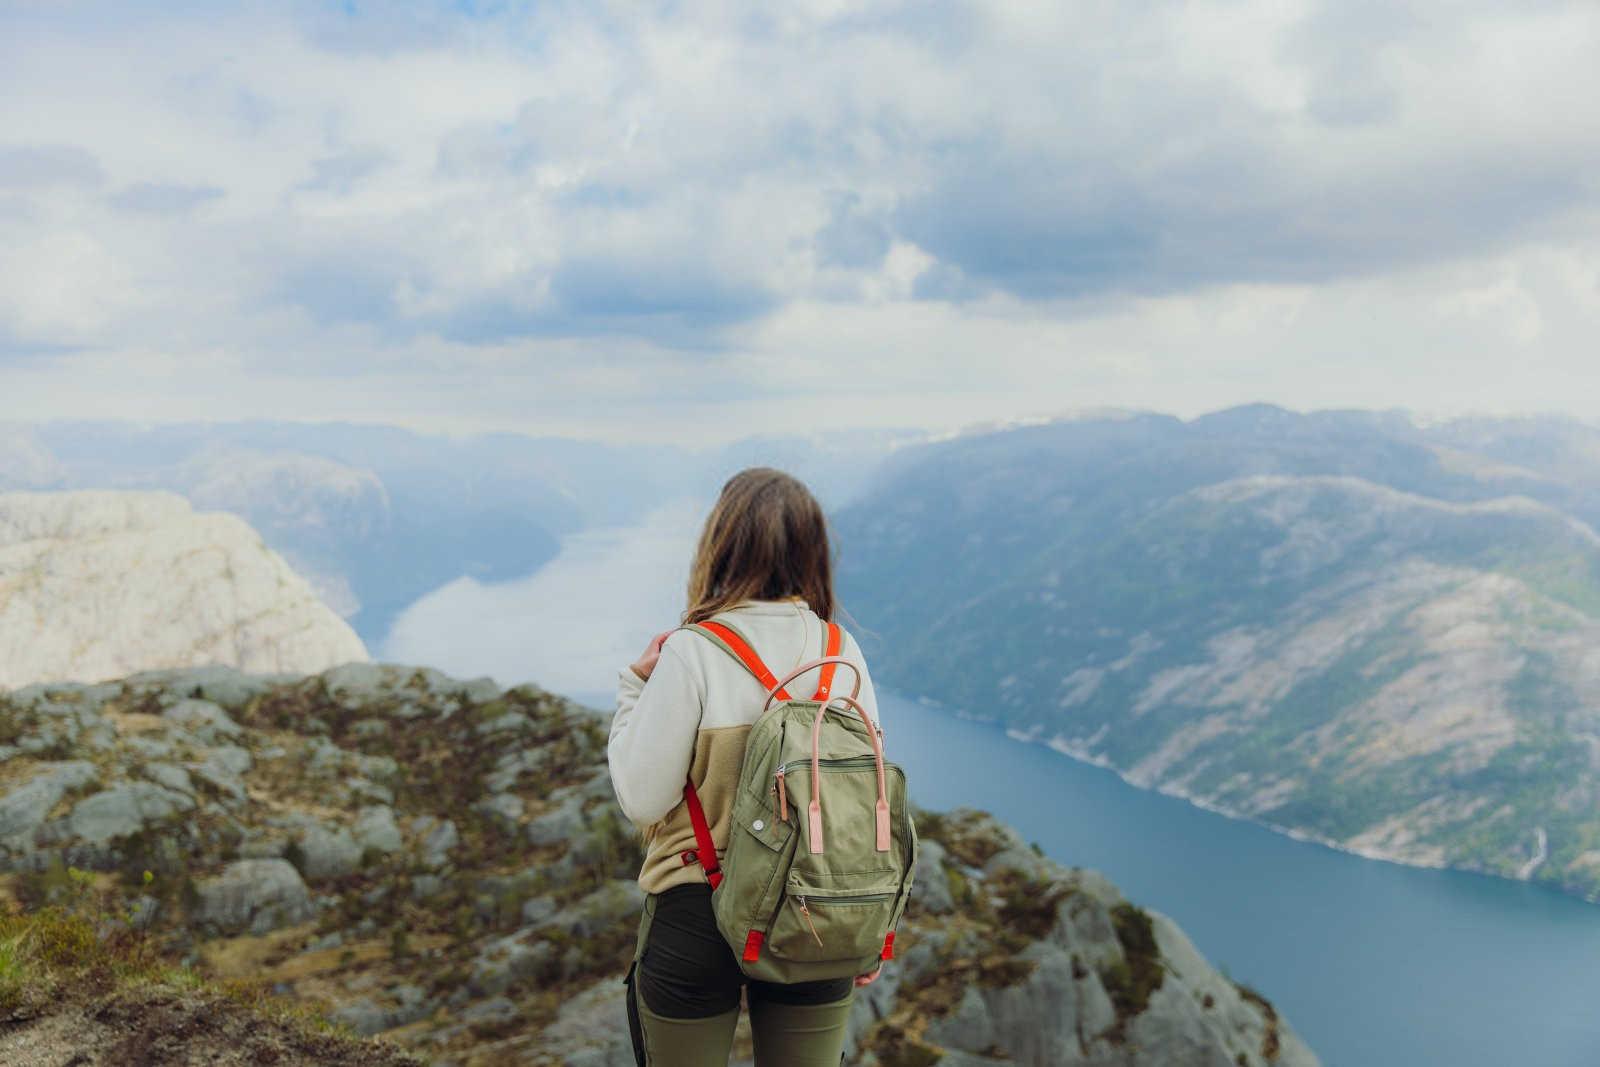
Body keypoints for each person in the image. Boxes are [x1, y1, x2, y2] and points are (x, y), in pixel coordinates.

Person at [608, 467, 883, 1066]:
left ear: (720, 544)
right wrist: (861, 919)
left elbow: (642, 799)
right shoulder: (841, 653)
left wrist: (635, 686)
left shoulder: (693, 651)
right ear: (813, 550)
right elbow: (863, 806)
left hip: (696, 909)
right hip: (814, 909)